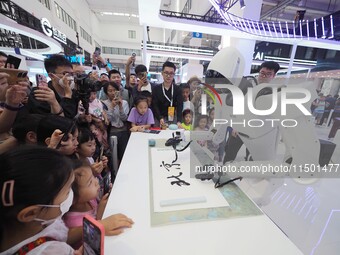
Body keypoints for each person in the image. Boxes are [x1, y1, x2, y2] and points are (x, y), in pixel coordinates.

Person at [0, 146, 82, 254]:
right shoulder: (53, 252)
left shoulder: (41, 217)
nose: (72, 193)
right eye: (67, 191)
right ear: (30, 213)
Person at [63, 162, 134, 249]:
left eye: (93, 177)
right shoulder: (75, 223)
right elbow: (93, 244)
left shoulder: (90, 199)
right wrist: (100, 215)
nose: (96, 181)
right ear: (72, 197)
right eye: (90, 183)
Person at [223, 60, 280, 163]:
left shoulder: (273, 91)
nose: (264, 76)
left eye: (268, 74)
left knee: (253, 159)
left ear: (274, 75)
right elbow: (236, 107)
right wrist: (235, 126)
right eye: (262, 73)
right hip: (240, 129)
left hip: (259, 132)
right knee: (230, 154)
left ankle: (248, 177)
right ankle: (221, 174)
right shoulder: (247, 86)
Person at [102, 82, 129, 162]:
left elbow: (125, 119)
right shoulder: (104, 104)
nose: (113, 93)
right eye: (110, 91)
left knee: (124, 154)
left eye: (114, 90)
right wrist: (111, 107)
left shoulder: (124, 103)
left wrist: (120, 107)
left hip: (123, 131)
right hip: (112, 131)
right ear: (106, 93)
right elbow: (108, 120)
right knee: (113, 155)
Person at [152, 61, 183, 126]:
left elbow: (180, 106)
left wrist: (179, 121)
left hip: (173, 118)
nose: (168, 76)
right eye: (166, 73)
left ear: (174, 74)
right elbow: (154, 105)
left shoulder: (178, 89)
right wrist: (160, 118)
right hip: (159, 119)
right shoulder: (156, 89)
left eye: (171, 73)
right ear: (162, 73)